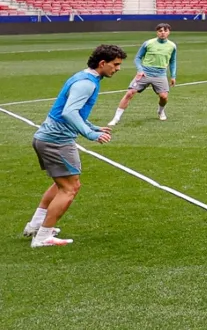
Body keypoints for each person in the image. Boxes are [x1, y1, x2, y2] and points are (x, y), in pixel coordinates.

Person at [22, 43, 124, 247]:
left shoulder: (83, 77)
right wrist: (89, 134)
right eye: (115, 64)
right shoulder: (87, 83)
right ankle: (43, 237)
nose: (118, 68)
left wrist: (93, 127)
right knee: (70, 188)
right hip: (57, 142)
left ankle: (35, 225)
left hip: (46, 138)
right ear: (102, 63)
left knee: (60, 184)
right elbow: (69, 112)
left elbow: (72, 111)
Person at [109, 23, 176, 125]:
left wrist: (173, 76)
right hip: (145, 73)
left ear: (169, 32)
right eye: (160, 31)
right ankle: (116, 118)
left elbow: (172, 61)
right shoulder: (148, 43)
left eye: (165, 31)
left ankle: (161, 111)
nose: (163, 33)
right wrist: (140, 70)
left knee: (164, 97)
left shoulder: (172, 46)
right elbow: (137, 58)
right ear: (157, 32)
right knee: (129, 93)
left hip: (160, 74)